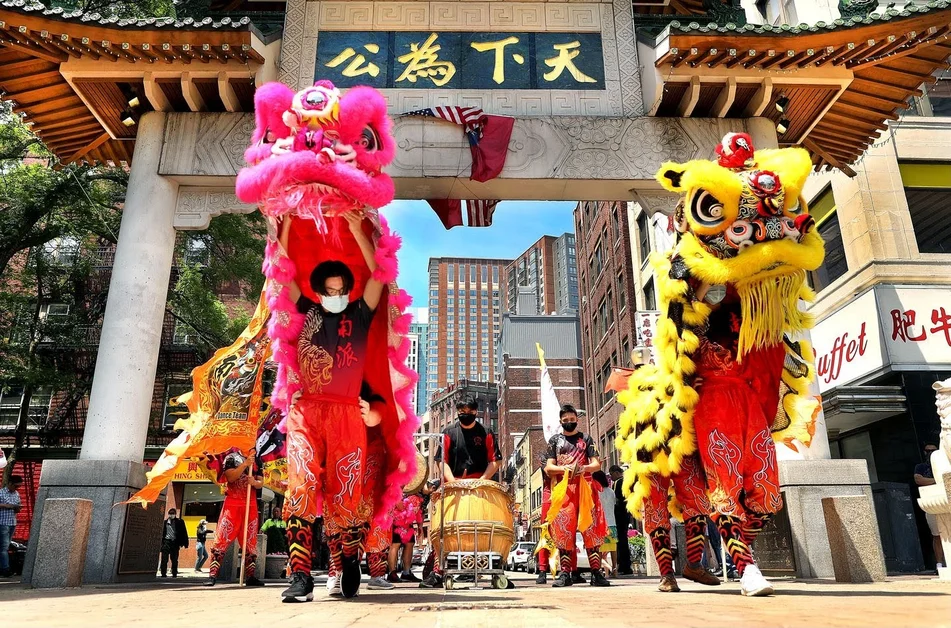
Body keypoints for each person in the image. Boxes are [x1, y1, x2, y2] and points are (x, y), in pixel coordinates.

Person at [279, 211, 385, 602]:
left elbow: (379, 276)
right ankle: (301, 576)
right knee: (302, 486)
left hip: (346, 415)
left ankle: (350, 556)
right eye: (329, 290)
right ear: (320, 292)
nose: (335, 295)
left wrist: (358, 231)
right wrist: (284, 224)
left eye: (341, 289)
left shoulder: (359, 314)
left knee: (345, 498)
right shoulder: (307, 311)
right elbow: (282, 271)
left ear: (347, 290)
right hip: (306, 411)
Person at [421, 397, 502, 588]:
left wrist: (480, 481)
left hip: (479, 486)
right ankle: (438, 571)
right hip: (454, 485)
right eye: (461, 412)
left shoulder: (486, 432)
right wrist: (453, 482)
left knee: (479, 530)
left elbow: (495, 461)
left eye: (469, 411)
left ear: (475, 412)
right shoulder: (449, 432)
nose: (465, 415)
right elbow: (442, 461)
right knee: (445, 529)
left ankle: (488, 568)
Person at [545, 405, 611, 588]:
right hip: (564, 490)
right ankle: (565, 573)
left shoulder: (586, 439)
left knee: (591, 529)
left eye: (571, 419)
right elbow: (548, 467)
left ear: (576, 419)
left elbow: (596, 464)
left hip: (585, 488)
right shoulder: (554, 441)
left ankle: (596, 572)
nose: (568, 423)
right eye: (565, 420)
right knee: (564, 530)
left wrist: (583, 468)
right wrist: (564, 469)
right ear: (560, 422)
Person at [642, 455, 721, 592]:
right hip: (649, 448)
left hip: (685, 442)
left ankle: (694, 565)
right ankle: (667, 574)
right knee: (655, 508)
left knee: (697, 500)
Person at [204, 449, 265, 587]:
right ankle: (213, 574)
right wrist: (245, 464)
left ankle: (250, 576)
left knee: (250, 540)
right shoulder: (231, 457)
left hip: (251, 504)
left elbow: (261, 481)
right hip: (233, 503)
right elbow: (230, 477)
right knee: (222, 537)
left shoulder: (257, 459)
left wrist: (255, 483)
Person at [915, 442, 946, 571]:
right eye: (928, 451)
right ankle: (939, 564)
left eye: (933, 450)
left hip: (944, 499)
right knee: (936, 535)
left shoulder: (943, 465)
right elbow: (919, 480)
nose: (930, 453)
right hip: (931, 501)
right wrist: (937, 480)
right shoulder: (921, 466)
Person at [388, 490, 424, 583]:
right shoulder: (397, 485)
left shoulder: (416, 491)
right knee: (395, 544)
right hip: (396, 519)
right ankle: (392, 572)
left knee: (410, 543)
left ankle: (406, 572)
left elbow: (420, 510)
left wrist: (419, 525)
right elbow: (399, 504)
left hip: (408, 521)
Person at [608, 465, 633, 575]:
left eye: (611, 474)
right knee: (623, 540)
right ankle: (625, 565)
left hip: (619, 515)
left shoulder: (618, 482)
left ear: (616, 472)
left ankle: (623, 566)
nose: (611, 477)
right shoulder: (627, 480)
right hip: (626, 513)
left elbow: (616, 499)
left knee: (621, 541)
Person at [594, 471, 618, 577]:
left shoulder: (596, 492)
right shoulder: (611, 491)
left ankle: (598, 569)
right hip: (612, 522)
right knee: (613, 548)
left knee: (599, 549)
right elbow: (614, 504)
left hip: (601, 524)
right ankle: (615, 569)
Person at [0, 474, 23, 578]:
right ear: (10, 483)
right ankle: (5, 569)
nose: (17, 488)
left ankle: (4, 567)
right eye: (16, 486)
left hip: (12, 522)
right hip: (2, 522)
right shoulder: (1, 493)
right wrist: (6, 505)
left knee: (7, 545)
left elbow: (18, 506)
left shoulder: (16, 494)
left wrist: (17, 508)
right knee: (4, 546)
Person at [159, 508, 188, 578]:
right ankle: (163, 573)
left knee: (174, 559)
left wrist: (185, 543)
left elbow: (184, 532)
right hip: (166, 542)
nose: (171, 515)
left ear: (175, 514)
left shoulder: (179, 522)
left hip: (175, 542)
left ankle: (174, 572)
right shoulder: (165, 522)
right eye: (170, 514)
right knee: (164, 559)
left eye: (173, 514)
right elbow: (161, 533)